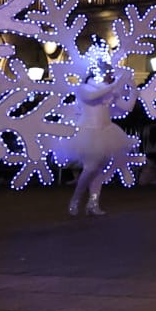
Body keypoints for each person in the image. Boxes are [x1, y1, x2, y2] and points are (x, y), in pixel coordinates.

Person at [54, 75, 135, 216]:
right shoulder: (82, 88)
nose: (106, 76)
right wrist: (114, 85)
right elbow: (91, 96)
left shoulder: (108, 91)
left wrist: (134, 91)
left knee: (98, 171)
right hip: (88, 133)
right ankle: (76, 199)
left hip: (107, 133)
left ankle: (93, 203)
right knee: (90, 168)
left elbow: (128, 107)